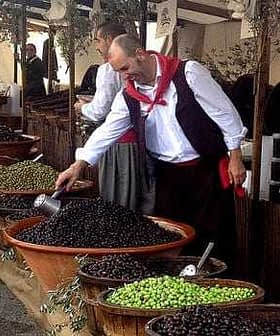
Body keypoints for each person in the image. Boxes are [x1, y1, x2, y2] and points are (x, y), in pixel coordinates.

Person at [56, 34, 246, 267]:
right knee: (172, 234)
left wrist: (235, 155)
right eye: (119, 72)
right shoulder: (129, 95)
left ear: (140, 54)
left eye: (125, 68)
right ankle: (177, 285)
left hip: (204, 170)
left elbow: (224, 112)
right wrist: (79, 164)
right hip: (167, 174)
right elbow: (108, 131)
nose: (124, 76)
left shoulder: (188, 73)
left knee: (213, 233)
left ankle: (220, 285)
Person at [59, 23, 153, 213]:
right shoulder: (137, 67)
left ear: (109, 40)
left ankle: (123, 228)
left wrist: (83, 107)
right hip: (139, 141)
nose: (97, 46)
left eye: (98, 40)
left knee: (117, 197)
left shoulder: (107, 69)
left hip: (119, 143)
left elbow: (101, 110)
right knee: (135, 192)